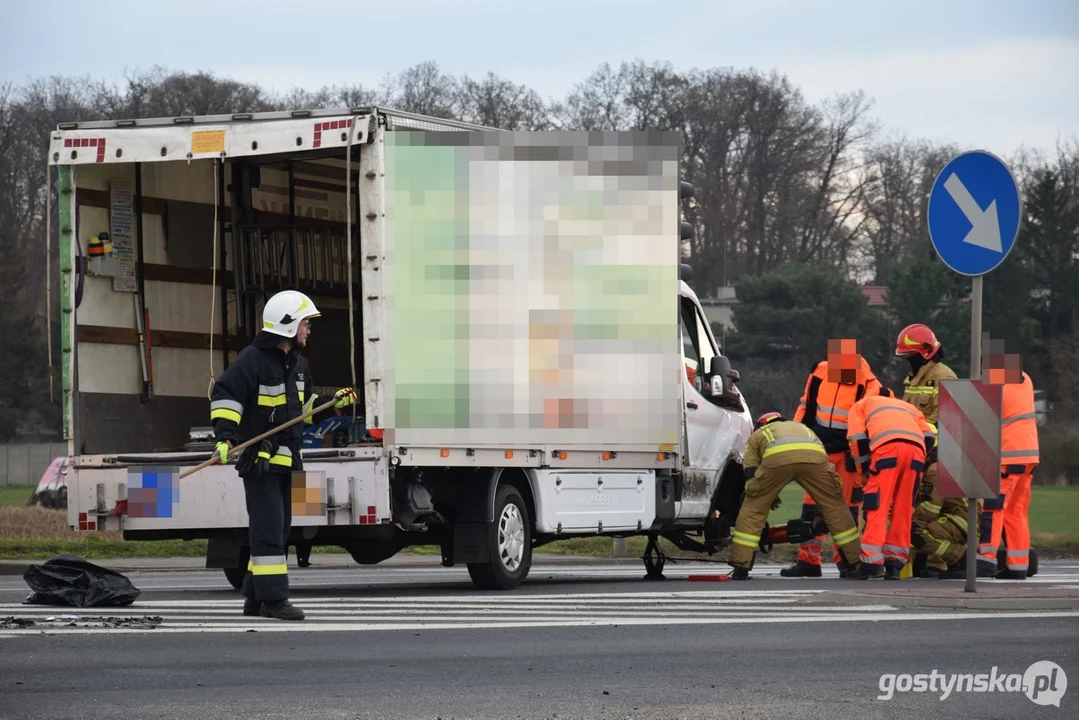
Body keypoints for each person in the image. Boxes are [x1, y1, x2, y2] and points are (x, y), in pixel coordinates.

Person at [210, 290, 357, 620]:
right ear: (288, 325)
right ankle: (275, 601)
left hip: (288, 462)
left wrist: (333, 403)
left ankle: (254, 598)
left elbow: (301, 412)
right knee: (269, 532)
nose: (309, 329)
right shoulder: (252, 360)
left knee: (277, 532)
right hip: (261, 463)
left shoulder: (298, 366)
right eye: (306, 323)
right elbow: (226, 396)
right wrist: (225, 438)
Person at [782, 339, 882, 578]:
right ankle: (808, 560)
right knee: (811, 508)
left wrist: (862, 459)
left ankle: (848, 561)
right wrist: (798, 439)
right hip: (819, 452)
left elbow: (869, 423)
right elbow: (806, 408)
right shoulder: (820, 373)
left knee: (846, 511)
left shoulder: (869, 384)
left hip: (849, 456)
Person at [727, 412, 862, 580]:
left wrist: (761, 493)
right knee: (835, 507)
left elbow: (750, 470)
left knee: (753, 510)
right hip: (814, 458)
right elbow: (822, 456)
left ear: (761, 424)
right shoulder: (803, 428)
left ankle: (741, 566)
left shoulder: (759, 434)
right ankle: (855, 563)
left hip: (777, 458)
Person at [845, 389, 936, 580]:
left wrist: (864, 471)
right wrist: (919, 456)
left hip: (887, 451)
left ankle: (872, 563)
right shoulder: (908, 407)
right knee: (903, 509)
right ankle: (895, 562)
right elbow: (929, 436)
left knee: (877, 506)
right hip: (916, 454)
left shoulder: (861, 405)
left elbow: (857, 440)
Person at [895, 323, 959, 574]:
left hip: (937, 454)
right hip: (917, 450)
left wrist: (930, 448)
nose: (907, 361)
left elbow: (944, 418)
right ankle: (916, 560)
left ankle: (937, 561)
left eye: (909, 356)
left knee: (933, 506)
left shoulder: (944, 376)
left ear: (924, 353)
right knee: (914, 505)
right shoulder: (913, 379)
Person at [976, 368, 1039, 579]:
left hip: (1008, 455)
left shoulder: (996, 381)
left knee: (993, 508)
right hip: (1029, 455)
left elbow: (985, 415)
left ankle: (986, 559)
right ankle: (1018, 566)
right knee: (1016, 512)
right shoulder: (1025, 378)